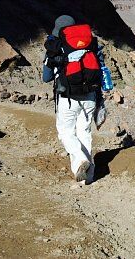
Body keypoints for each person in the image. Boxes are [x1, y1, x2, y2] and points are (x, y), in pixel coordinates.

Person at [43, 15, 98, 184]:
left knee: (66, 132)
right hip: (90, 96)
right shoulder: (91, 43)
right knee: (84, 133)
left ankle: (81, 160)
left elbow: (46, 77)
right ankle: (86, 178)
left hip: (68, 98)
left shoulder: (55, 47)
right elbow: (100, 71)